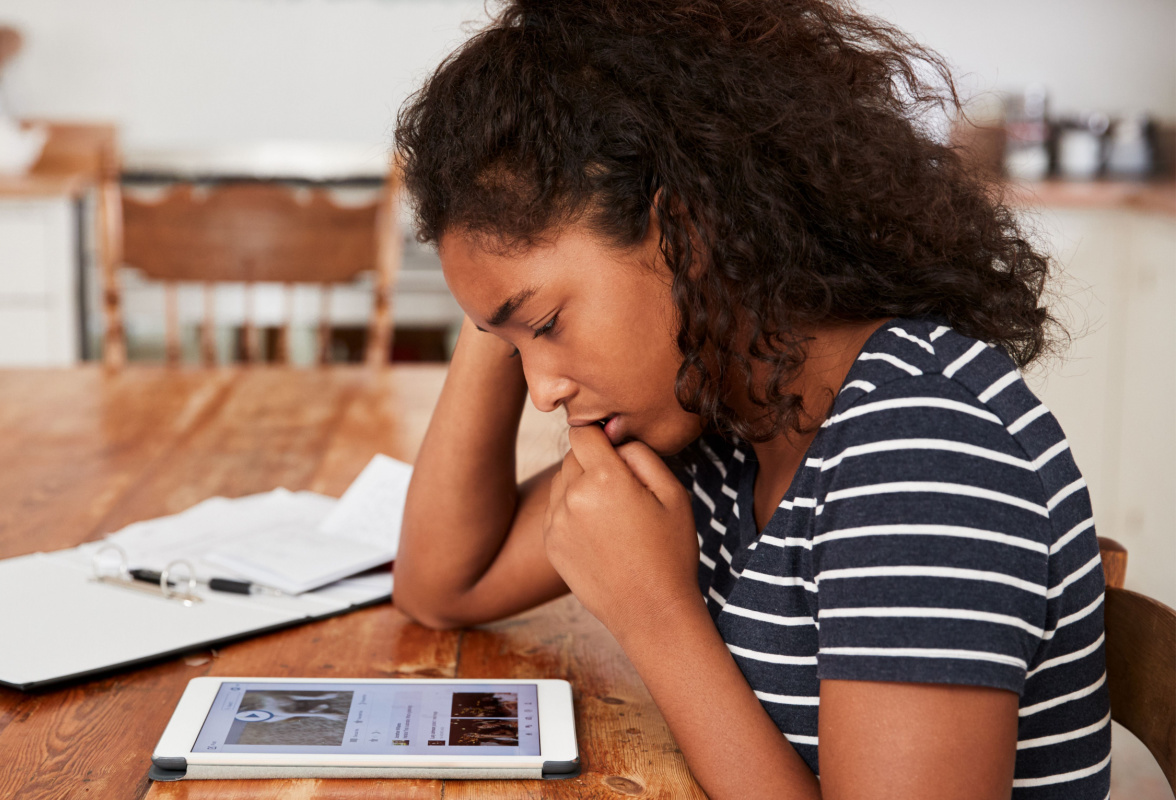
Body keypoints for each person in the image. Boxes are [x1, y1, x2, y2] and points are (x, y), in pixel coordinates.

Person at [390, 0, 1111, 797]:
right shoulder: (724, 415)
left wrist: (656, 619)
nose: (542, 389)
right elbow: (443, 582)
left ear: (686, 234)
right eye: (515, 345)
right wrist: (500, 303)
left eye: (551, 324)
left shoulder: (921, 445)